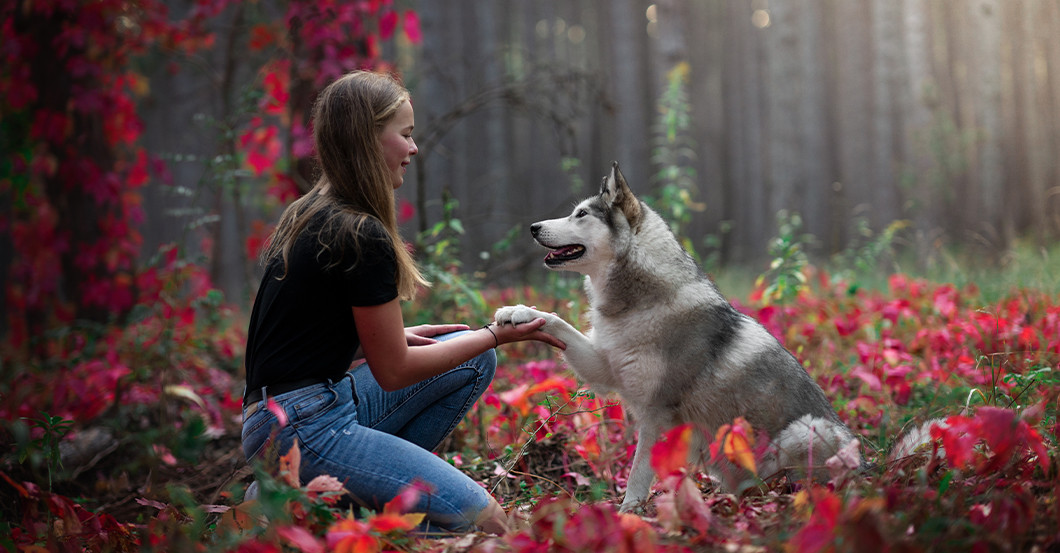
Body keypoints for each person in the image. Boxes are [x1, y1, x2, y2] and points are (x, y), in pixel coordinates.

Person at [241, 70, 565, 534]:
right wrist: (496, 334)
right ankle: (321, 515)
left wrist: (397, 336)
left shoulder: (310, 212)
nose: (413, 149)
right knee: (487, 524)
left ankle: (318, 498)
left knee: (473, 360)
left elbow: (289, 343)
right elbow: (393, 372)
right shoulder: (359, 231)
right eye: (406, 134)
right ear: (368, 139)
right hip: (304, 427)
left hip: (277, 417)